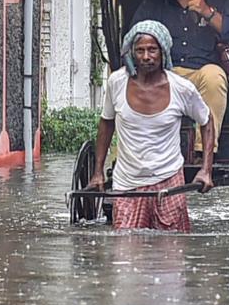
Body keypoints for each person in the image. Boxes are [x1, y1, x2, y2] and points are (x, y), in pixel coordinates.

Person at [88, 20, 215, 231]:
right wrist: (98, 172)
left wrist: (206, 170)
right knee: (125, 256)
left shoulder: (182, 89)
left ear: (163, 51)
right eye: (140, 51)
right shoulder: (116, 83)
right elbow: (106, 123)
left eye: (152, 50)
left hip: (168, 181)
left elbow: (206, 120)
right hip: (127, 183)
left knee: (171, 256)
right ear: (132, 54)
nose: (146, 57)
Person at [130, 0, 229, 155]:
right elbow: (132, 40)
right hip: (165, 75)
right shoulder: (152, 6)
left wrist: (207, 11)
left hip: (203, 76)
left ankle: (204, 152)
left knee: (213, 75)